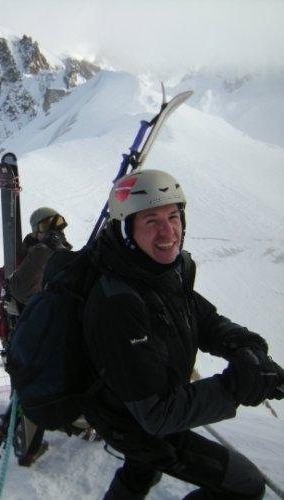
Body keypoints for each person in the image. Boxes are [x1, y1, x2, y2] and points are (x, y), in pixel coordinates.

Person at [81, 169, 284, 499]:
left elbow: (202, 320)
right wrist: (238, 385)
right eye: (151, 220)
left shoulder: (157, 271)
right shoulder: (119, 302)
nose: (168, 231)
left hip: (139, 402)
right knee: (243, 483)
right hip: (130, 419)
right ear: (126, 229)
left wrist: (246, 347)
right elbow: (158, 416)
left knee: (141, 470)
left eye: (173, 216)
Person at [5, 207, 74, 466]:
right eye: (47, 227)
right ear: (37, 231)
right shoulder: (36, 252)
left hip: (49, 330)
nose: (55, 232)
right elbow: (22, 288)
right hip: (34, 334)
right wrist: (48, 250)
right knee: (32, 387)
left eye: (57, 226)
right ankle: (28, 449)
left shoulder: (55, 250)